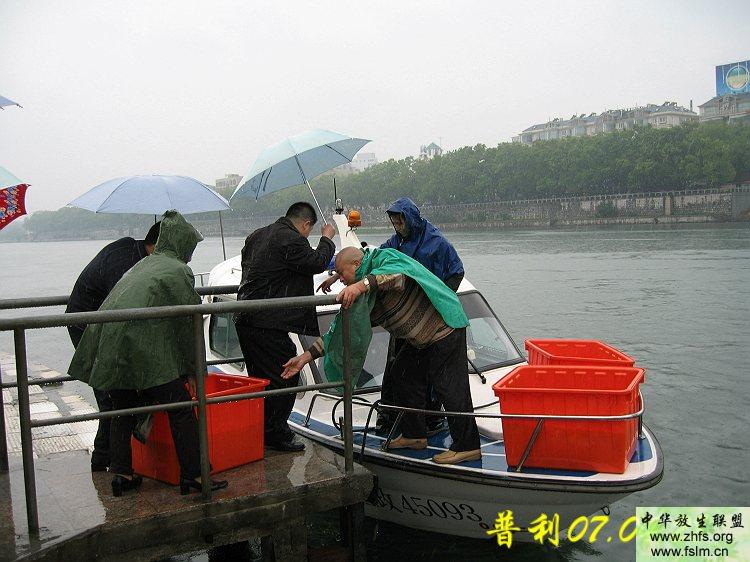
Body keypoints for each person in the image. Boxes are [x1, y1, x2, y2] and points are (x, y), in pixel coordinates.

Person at [68, 211, 227, 496]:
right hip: (136, 345)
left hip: (111, 342)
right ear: (182, 244)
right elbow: (188, 323)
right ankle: (195, 474)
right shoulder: (178, 270)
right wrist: (193, 371)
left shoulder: (144, 263)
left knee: (124, 405)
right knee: (179, 405)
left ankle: (122, 474)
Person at [283, 247, 481, 465]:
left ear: (357, 264)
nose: (340, 279)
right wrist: (304, 358)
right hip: (420, 339)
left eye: (341, 273)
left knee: (450, 386)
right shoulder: (361, 297)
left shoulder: (383, 259)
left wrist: (360, 285)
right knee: (402, 376)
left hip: (445, 327)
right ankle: (415, 435)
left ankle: (467, 446)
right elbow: (337, 332)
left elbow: (397, 275)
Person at [318, 198, 465, 432]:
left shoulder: (436, 242)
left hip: (432, 314)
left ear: (410, 219)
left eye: (400, 220)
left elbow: (454, 272)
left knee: (436, 378)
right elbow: (366, 258)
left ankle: (431, 418)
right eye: (394, 221)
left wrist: (437, 300)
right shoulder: (396, 242)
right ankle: (395, 418)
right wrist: (338, 274)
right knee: (398, 371)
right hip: (405, 320)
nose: (397, 225)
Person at [234, 202, 335, 452]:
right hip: (265, 322)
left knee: (263, 380)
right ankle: (275, 433)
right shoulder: (290, 238)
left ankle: (263, 429)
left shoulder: (257, 235)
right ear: (306, 224)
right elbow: (316, 262)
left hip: (246, 318)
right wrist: (327, 238)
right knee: (287, 374)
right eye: (309, 232)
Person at [65, 221, 161, 472]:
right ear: (158, 246)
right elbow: (122, 304)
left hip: (101, 326)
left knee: (116, 393)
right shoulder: (125, 260)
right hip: (88, 327)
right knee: (110, 393)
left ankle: (109, 458)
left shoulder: (134, 253)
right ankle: (104, 459)